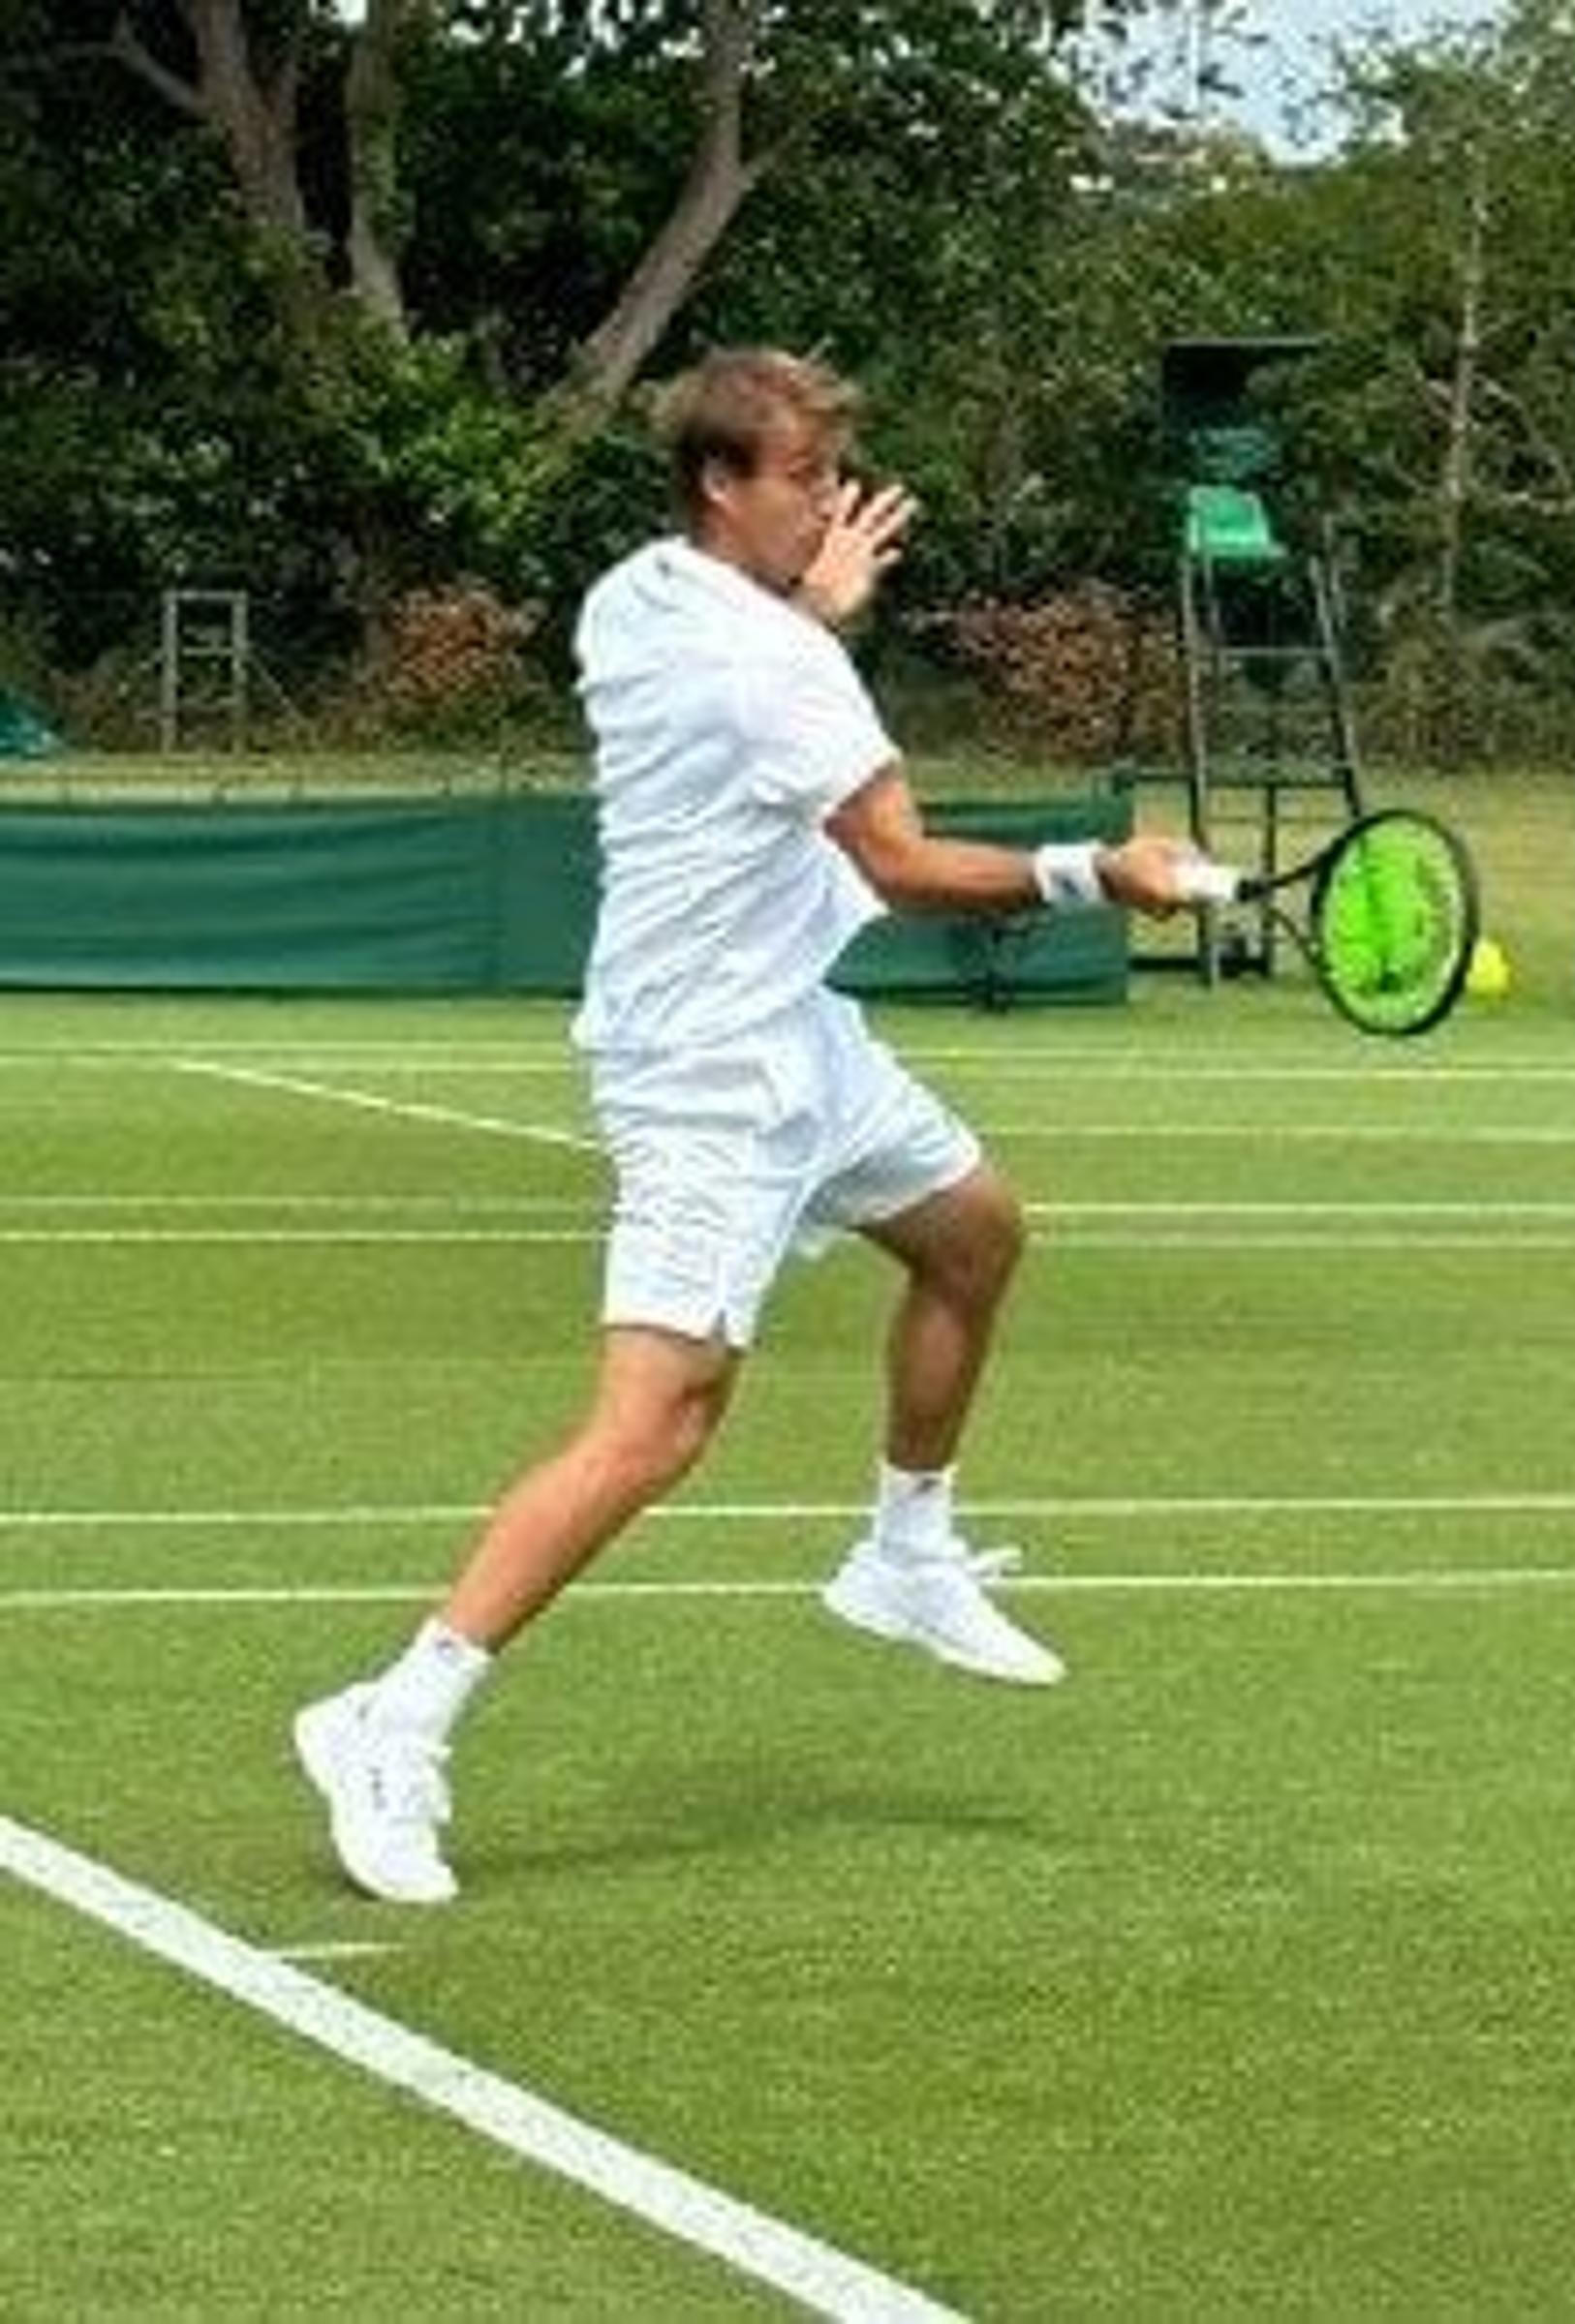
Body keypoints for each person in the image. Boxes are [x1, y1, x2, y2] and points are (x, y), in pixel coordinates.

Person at [293, 347, 1207, 1906]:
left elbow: (768, 666)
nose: (829, 507)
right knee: (656, 1428)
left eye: (835, 480)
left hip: (799, 1033)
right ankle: (396, 1714)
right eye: (802, 482)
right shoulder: (778, 671)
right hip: (709, 1073)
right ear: (722, 485)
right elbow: (911, 868)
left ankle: (904, 1550)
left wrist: (812, 602)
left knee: (975, 1233)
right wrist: (1094, 873)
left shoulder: (637, 595)